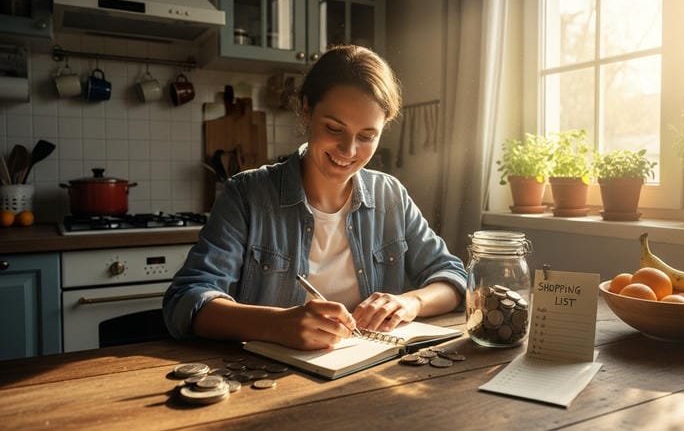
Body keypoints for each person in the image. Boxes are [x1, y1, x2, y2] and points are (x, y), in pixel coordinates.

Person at [163, 45, 467, 351]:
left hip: (367, 375)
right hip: (264, 381)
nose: (348, 151)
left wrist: (410, 302)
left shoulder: (390, 196)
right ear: (307, 110)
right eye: (334, 128)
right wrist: (276, 324)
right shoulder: (246, 195)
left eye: (366, 136)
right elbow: (186, 301)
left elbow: (455, 279)